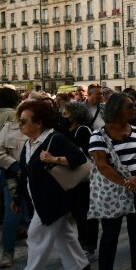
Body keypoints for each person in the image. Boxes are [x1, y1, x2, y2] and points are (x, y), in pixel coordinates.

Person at [1, 101, 90, 270]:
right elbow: (25, 174)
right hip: (39, 200)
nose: (20, 125)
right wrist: (18, 197)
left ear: (39, 123)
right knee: (63, 235)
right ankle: (79, 265)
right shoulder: (29, 144)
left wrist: (54, 159)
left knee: (35, 237)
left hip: (53, 201)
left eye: (24, 121)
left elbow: (80, 158)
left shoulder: (54, 139)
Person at [88, 93, 136, 270]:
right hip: (114, 192)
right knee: (109, 235)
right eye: (129, 106)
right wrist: (126, 183)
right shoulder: (98, 135)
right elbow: (102, 165)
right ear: (116, 109)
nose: (133, 110)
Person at [59, 101, 99, 261]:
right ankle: (81, 244)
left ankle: (89, 247)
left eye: (66, 111)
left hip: (84, 178)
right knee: (78, 213)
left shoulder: (83, 130)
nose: (63, 113)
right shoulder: (63, 128)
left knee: (87, 213)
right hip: (70, 176)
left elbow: (87, 155)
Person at [0, 101, 30, 268]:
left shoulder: (41, 128)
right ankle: (8, 251)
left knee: (35, 215)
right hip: (13, 178)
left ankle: (37, 251)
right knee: (11, 215)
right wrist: (15, 166)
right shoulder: (9, 128)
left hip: (35, 178)